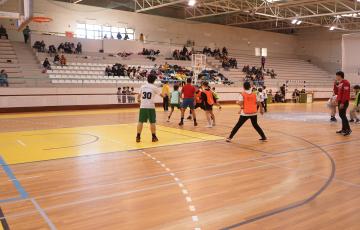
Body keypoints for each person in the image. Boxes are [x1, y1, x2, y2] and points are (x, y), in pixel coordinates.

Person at [136, 74, 163, 143]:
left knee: (140, 121)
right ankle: (154, 137)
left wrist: (140, 101)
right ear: (154, 80)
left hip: (143, 107)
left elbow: (138, 97)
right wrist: (166, 95)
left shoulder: (143, 86)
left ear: (147, 79)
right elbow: (162, 96)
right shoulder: (154, 87)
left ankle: (138, 136)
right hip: (151, 107)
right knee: (152, 122)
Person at [335, 71, 351, 136]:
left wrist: (342, 102)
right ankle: (343, 129)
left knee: (342, 115)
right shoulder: (340, 83)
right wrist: (337, 100)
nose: (336, 77)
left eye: (336, 76)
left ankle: (348, 129)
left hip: (344, 102)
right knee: (342, 115)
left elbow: (345, 93)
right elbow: (339, 93)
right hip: (340, 101)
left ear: (339, 76)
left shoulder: (346, 82)